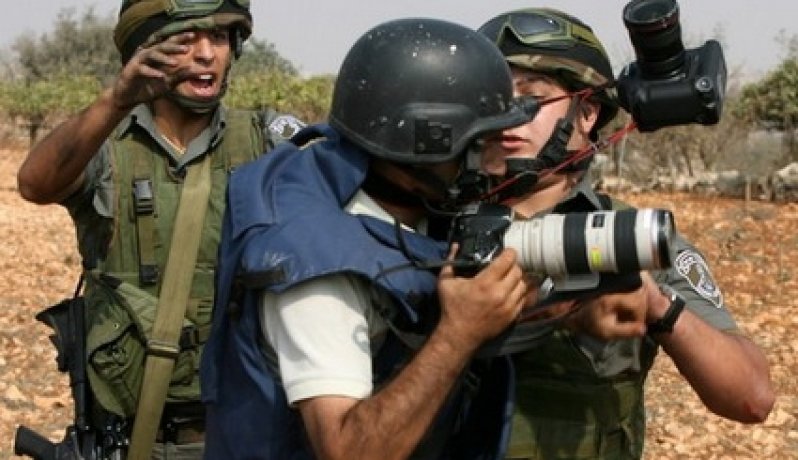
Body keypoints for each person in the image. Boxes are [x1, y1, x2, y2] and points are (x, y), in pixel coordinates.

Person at [200, 17, 540, 460]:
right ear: (423, 143)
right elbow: (346, 450)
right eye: (483, 144)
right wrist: (458, 334)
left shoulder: (402, 199)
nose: (499, 165)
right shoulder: (317, 271)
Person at [476, 8, 775, 459]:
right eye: (491, 99)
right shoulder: (418, 224)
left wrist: (657, 305)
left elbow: (752, 398)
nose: (509, 116)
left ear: (586, 113)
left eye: (532, 98)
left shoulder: (631, 239)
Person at [16, 0, 303, 458]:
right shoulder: (106, 148)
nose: (206, 54)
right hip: (131, 438)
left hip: (244, 436)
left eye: (220, 38)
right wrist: (117, 100)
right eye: (185, 40)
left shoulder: (266, 141)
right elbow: (35, 184)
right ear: (144, 52)